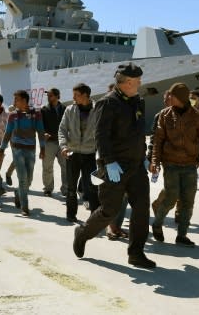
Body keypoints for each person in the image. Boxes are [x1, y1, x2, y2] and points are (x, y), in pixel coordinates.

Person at [72, 63, 156, 269]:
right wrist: (109, 162)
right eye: (137, 81)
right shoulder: (107, 103)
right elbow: (101, 135)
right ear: (127, 82)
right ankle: (82, 233)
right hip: (115, 166)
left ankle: (136, 253)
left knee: (141, 209)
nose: (140, 83)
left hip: (136, 166)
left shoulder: (138, 102)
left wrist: (144, 156)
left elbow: (138, 132)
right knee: (109, 210)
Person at [150, 83, 199, 247]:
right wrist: (155, 161)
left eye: (171, 95)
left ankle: (182, 235)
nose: (168, 98)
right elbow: (158, 141)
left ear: (180, 97)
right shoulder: (165, 115)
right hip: (170, 163)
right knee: (171, 197)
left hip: (189, 165)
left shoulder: (198, 116)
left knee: (188, 201)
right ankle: (157, 224)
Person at [0, 90, 45, 216]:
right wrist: (1, 150)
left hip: (31, 149)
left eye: (16, 99)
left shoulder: (36, 114)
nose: (14, 102)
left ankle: (18, 193)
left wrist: (43, 148)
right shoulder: (12, 115)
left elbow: (40, 131)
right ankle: (25, 207)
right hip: (17, 150)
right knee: (23, 178)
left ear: (24, 101)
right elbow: (7, 133)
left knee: (29, 180)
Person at [58, 83, 100, 222]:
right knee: (71, 187)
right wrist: (64, 146)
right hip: (72, 154)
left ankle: (95, 217)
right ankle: (71, 215)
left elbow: (103, 133)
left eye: (76, 95)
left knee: (93, 187)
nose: (73, 97)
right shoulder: (70, 110)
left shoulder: (98, 110)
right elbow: (62, 129)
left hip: (90, 154)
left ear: (85, 95)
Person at [41, 88, 67, 197]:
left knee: (65, 167)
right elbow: (40, 125)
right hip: (49, 143)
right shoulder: (44, 110)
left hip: (63, 143)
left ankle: (65, 189)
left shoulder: (65, 109)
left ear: (57, 96)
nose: (49, 98)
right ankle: (48, 188)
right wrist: (44, 134)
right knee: (47, 167)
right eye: (48, 96)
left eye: (51, 96)